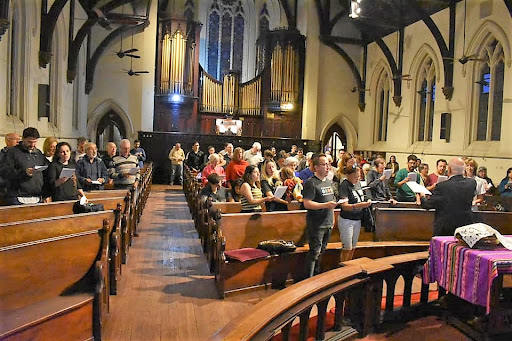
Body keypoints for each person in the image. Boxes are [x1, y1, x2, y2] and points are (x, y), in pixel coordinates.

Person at [302, 154, 338, 278]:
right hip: (316, 224)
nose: (327, 167)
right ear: (316, 167)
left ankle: (316, 278)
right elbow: (307, 203)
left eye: (328, 164)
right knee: (314, 253)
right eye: (324, 164)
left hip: (328, 222)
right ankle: (308, 280)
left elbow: (331, 200)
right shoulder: (311, 183)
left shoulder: (328, 182)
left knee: (321, 252)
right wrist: (325, 205)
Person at [420, 157, 476, 236]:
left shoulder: (442, 186)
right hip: (465, 227)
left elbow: (428, 204)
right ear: (463, 170)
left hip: (445, 228)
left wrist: (422, 197)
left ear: (449, 169)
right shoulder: (471, 183)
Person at [2, 128, 47, 205]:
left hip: (36, 195)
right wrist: (25, 173)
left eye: (35, 142)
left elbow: (45, 172)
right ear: (23, 139)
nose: (32, 145)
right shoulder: (12, 152)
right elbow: (5, 172)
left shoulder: (38, 153)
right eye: (29, 142)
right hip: (17, 196)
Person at [338, 166, 372, 262]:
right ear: (348, 175)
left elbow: (361, 196)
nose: (357, 179)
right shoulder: (345, 185)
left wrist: (366, 201)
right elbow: (344, 206)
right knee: (347, 247)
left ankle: (349, 266)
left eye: (359, 176)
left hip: (357, 219)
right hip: (347, 220)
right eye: (355, 177)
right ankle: (343, 268)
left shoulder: (358, 184)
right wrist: (358, 205)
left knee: (353, 247)